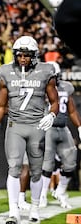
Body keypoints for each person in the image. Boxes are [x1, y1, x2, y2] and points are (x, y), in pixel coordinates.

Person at [0, 35, 59, 224]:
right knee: (14, 168)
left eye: (26, 55)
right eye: (20, 55)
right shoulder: (6, 72)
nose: (23, 58)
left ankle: (34, 208)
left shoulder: (46, 71)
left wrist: (51, 115)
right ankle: (13, 211)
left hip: (36, 126)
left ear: (34, 55)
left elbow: (54, 101)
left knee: (35, 171)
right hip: (15, 125)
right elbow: (0, 106)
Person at [39, 61, 81, 209]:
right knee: (47, 164)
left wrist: (80, 127)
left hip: (63, 128)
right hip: (48, 128)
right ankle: (42, 195)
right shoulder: (41, 87)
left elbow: (71, 110)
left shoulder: (66, 87)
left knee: (71, 162)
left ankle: (60, 192)